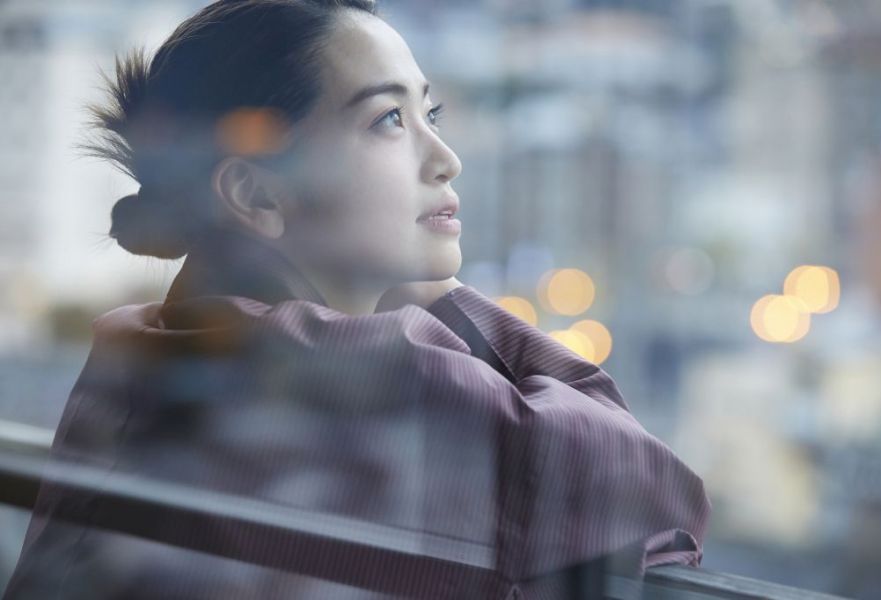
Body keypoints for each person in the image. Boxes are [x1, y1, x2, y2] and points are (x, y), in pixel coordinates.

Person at [3, 1, 711, 598]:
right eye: (388, 121)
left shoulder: (166, 336)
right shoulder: (313, 362)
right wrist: (446, 295)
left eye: (428, 112)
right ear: (255, 193)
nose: (445, 157)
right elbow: (646, 486)